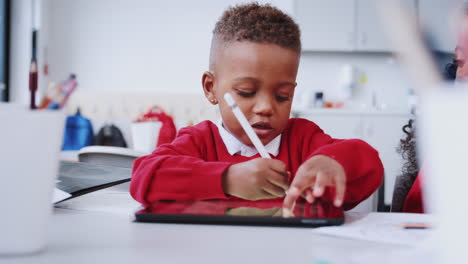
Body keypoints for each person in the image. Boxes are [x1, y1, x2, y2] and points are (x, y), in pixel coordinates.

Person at [130, 3, 384, 212]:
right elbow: (143, 178)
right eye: (246, 92)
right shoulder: (200, 141)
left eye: (282, 96)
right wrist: (226, 179)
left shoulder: (303, 140)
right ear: (211, 88)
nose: (265, 107)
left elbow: (370, 165)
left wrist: (331, 163)